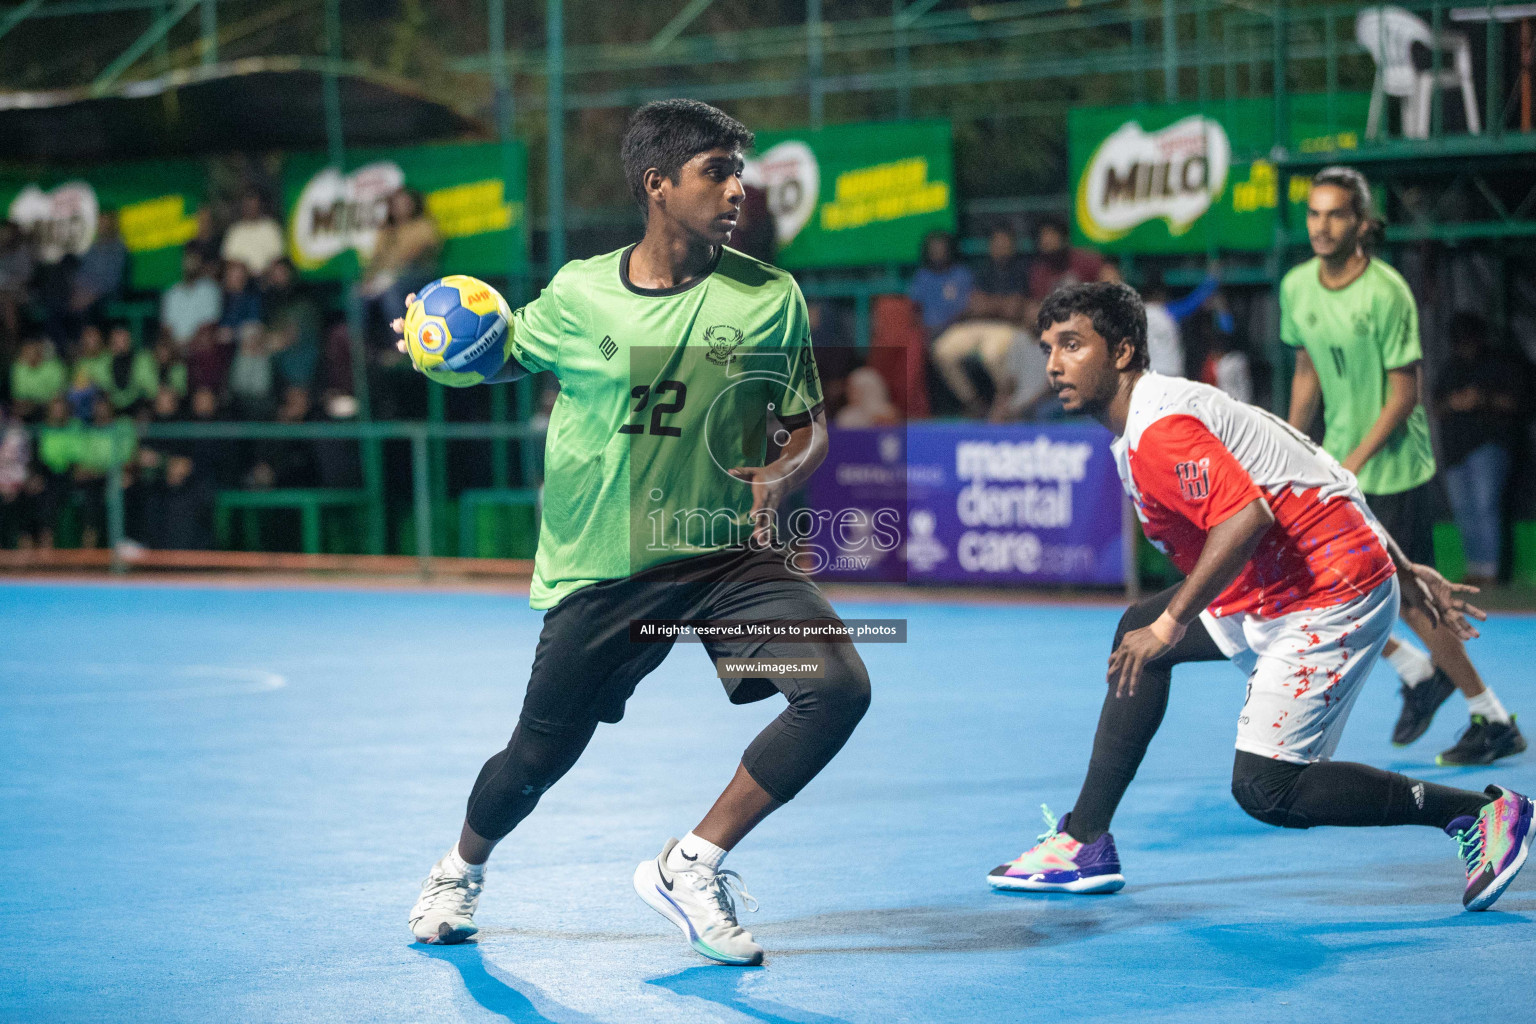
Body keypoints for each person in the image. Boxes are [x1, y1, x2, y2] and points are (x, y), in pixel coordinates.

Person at [397, 99, 869, 966]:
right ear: (658, 185)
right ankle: (458, 870)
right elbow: (504, 353)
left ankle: (693, 864)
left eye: (740, 172)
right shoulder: (580, 294)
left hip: (726, 555)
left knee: (836, 688)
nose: (738, 189)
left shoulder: (771, 299)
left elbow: (807, 425)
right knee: (536, 758)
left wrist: (777, 472)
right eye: (716, 172)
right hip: (605, 566)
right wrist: (432, 342)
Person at [986, 281, 1532, 912]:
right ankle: (1083, 842)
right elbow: (1312, 466)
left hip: (1327, 590)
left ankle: (1479, 815)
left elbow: (1246, 518)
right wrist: (1403, 565)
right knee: (1139, 631)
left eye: (1073, 345)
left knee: (1268, 788)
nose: (1054, 364)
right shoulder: (1165, 409)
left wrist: (1171, 622)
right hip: (1289, 578)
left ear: (1123, 352)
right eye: (1049, 347)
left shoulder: (1161, 429)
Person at [1283, 166, 1523, 765]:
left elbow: (1404, 394)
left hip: (1393, 470)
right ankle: (1419, 670)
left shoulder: (1387, 291)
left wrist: (1352, 464)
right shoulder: (1296, 288)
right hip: (1338, 463)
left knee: (1410, 600)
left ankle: (1490, 718)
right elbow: (1309, 369)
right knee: (1304, 584)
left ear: (1362, 223)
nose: (1321, 225)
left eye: (1335, 214)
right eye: (1314, 213)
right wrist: (1293, 442)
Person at [1433, 311, 1524, 588]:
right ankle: (1476, 567)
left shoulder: (1499, 364)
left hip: (1489, 446)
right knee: (1464, 510)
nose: (1464, 342)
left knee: (1486, 506)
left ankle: (1490, 570)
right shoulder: (1450, 368)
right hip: (1455, 451)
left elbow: (1518, 402)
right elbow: (1435, 406)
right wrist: (1454, 402)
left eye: (1468, 336)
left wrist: (1480, 399)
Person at [930, 224, 1031, 418]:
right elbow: (975, 304)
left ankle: (1013, 404)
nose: (1000, 248)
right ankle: (973, 403)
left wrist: (991, 304)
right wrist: (1000, 305)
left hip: (1008, 327)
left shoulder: (1022, 269)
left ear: (1012, 246)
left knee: (990, 355)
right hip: (977, 325)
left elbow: (1015, 309)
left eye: (1004, 244)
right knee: (942, 350)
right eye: (996, 244)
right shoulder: (983, 270)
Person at [1026, 215, 1115, 319]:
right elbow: (1036, 305)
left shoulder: (1082, 259)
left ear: (1062, 237)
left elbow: (1109, 275)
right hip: (1058, 324)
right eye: (1043, 237)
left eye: (1051, 235)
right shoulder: (1039, 271)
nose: (1047, 241)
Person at [1141, 267, 1220, 379]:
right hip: (1171, 372)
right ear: (1161, 294)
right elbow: (1195, 301)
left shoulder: (1137, 313)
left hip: (1149, 372)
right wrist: (1213, 279)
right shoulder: (1168, 312)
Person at [906, 230, 972, 343]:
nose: (937, 252)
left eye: (941, 248)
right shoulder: (922, 276)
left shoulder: (961, 275)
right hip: (927, 333)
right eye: (934, 248)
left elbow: (968, 308)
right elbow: (914, 308)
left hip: (957, 331)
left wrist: (946, 326)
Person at [159, 250, 222, 351]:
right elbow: (166, 326)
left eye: (194, 262)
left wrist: (190, 342)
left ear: (200, 264)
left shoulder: (210, 289)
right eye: (187, 262)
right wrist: (175, 344)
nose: (190, 265)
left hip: (199, 344)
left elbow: (209, 323)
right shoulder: (172, 292)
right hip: (175, 345)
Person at [220, 191, 285, 278]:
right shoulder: (235, 230)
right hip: (242, 276)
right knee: (235, 273)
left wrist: (265, 272)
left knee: (279, 271)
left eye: (254, 206)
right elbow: (228, 259)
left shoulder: (271, 228)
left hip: (267, 274)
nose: (251, 209)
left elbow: (278, 257)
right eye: (248, 206)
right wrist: (244, 270)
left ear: (260, 206)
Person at [9, 336, 66, 422]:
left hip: (48, 405)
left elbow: (58, 394)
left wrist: (39, 402)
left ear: (40, 350)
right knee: (19, 409)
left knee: (57, 406)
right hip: (28, 406)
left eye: (33, 350)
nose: (29, 353)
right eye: (26, 351)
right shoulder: (18, 368)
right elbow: (18, 396)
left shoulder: (54, 366)